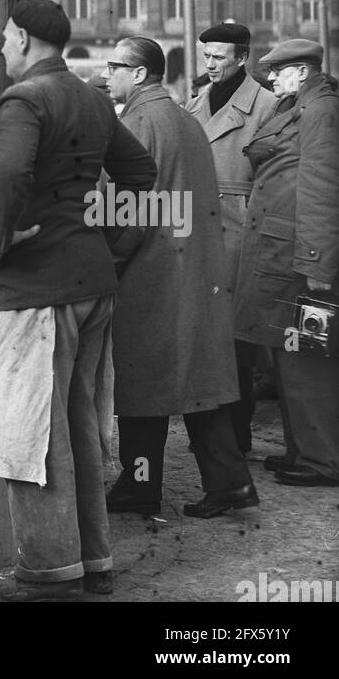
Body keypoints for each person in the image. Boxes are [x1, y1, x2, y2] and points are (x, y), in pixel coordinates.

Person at [0, 0, 157, 600]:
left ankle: (52, 571)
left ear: (26, 39)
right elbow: (141, 173)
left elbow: (7, 176)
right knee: (81, 424)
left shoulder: (26, 99)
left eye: (7, 38)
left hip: (40, 290)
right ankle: (95, 558)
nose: (4, 48)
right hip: (92, 282)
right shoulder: (90, 97)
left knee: (34, 433)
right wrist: (101, 235)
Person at [104, 37, 258, 519]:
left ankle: (141, 485)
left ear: (141, 74)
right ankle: (227, 483)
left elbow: (128, 209)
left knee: (141, 388)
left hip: (152, 274)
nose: (109, 74)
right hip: (191, 268)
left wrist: (110, 259)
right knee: (196, 385)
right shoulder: (185, 118)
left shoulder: (137, 122)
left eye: (117, 66)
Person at [235, 39, 339, 487]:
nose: (272, 79)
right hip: (285, 252)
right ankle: (304, 450)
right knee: (289, 353)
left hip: (302, 260)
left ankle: (322, 460)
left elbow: (322, 188)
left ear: (300, 70)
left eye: (277, 72)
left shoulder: (321, 112)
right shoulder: (303, 106)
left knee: (309, 360)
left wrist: (317, 263)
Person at [185, 22, 277, 455]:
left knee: (235, 340)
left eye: (219, 57)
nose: (210, 64)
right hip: (198, 230)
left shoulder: (267, 106)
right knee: (203, 333)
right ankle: (212, 437)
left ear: (242, 58)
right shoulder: (197, 100)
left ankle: (237, 437)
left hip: (238, 228)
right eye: (206, 57)